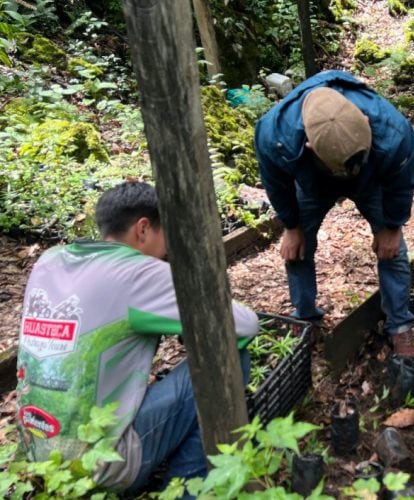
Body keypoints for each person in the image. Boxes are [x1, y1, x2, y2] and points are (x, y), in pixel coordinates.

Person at [15, 181, 259, 493]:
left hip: (38, 456)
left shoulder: (50, 261)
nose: (169, 248)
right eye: (167, 234)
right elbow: (244, 325)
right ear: (143, 229)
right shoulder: (136, 271)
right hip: (101, 468)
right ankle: (188, 490)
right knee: (232, 357)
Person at [254, 69, 414, 357]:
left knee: (394, 249)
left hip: (371, 178)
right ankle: (305, 317)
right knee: (298, 249)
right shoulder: (275, 136)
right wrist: (290, 225)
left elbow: (401, 180)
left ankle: (400, 324)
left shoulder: (392, 130)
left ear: (366, 123)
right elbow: (275, 183)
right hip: (313, 181)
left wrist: (392, 226)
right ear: (309, 145)